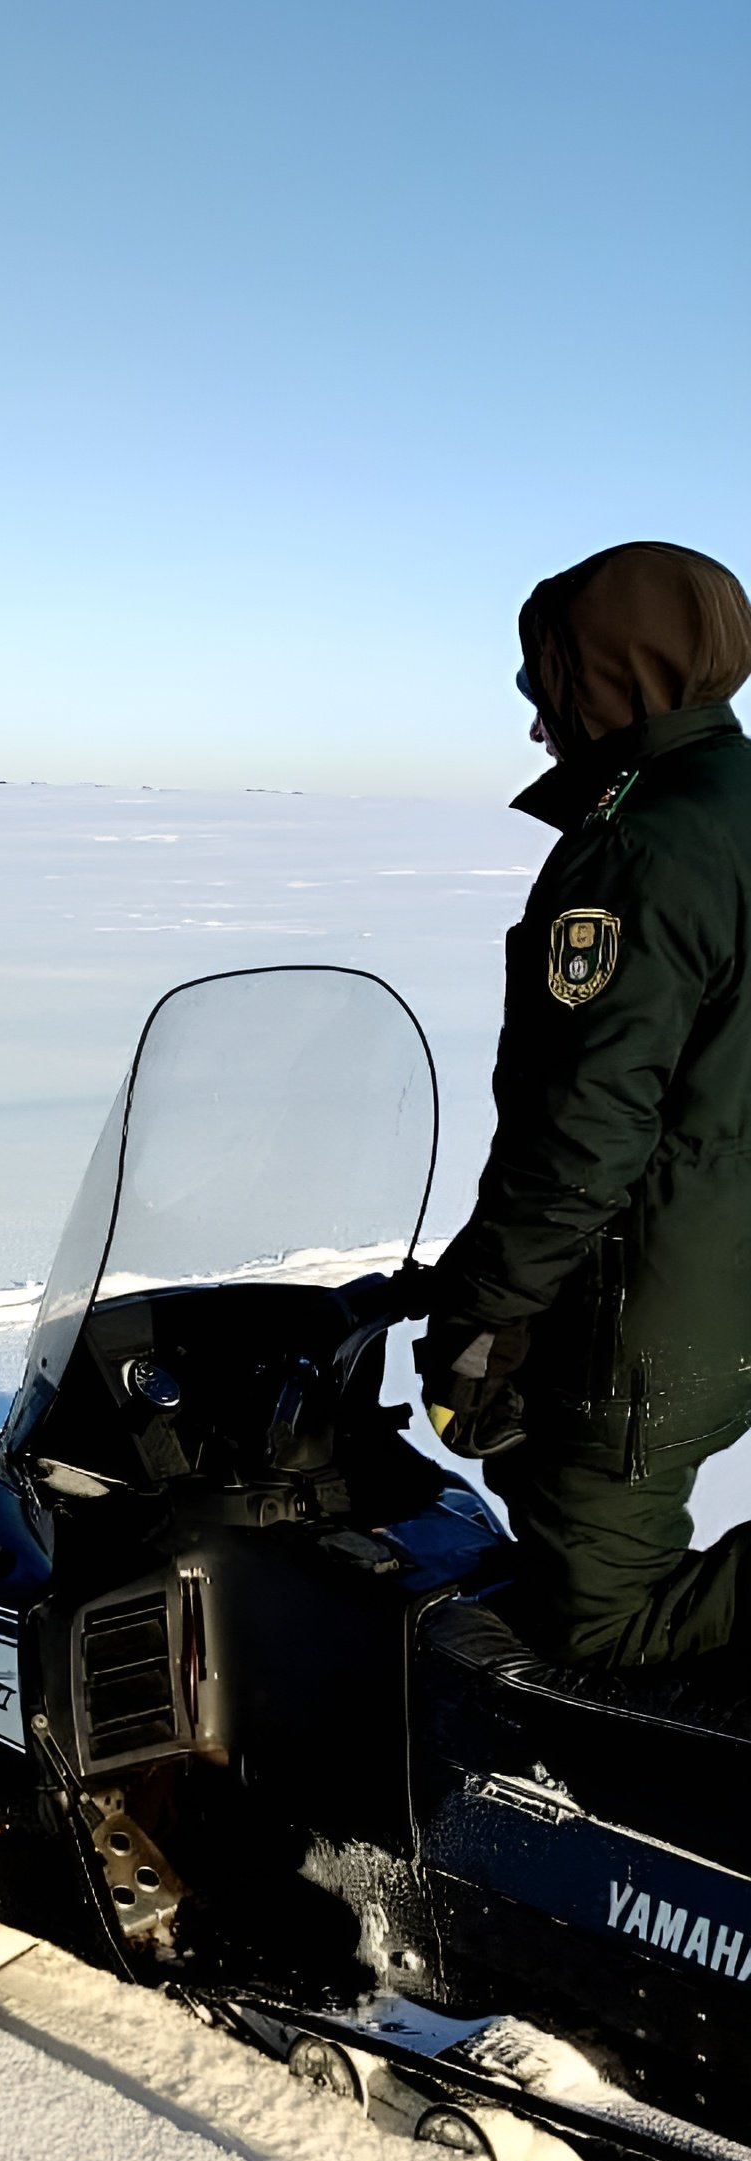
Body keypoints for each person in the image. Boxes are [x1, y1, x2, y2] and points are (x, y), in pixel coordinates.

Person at [419, 540, 751, 1671]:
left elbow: (584, 1130)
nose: (534, 726)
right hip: (729, 1272)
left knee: (602, 1612)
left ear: (608, 677)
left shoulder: (642, 847)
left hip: (652, 1303)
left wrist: (487, 1307)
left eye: (540, 688)